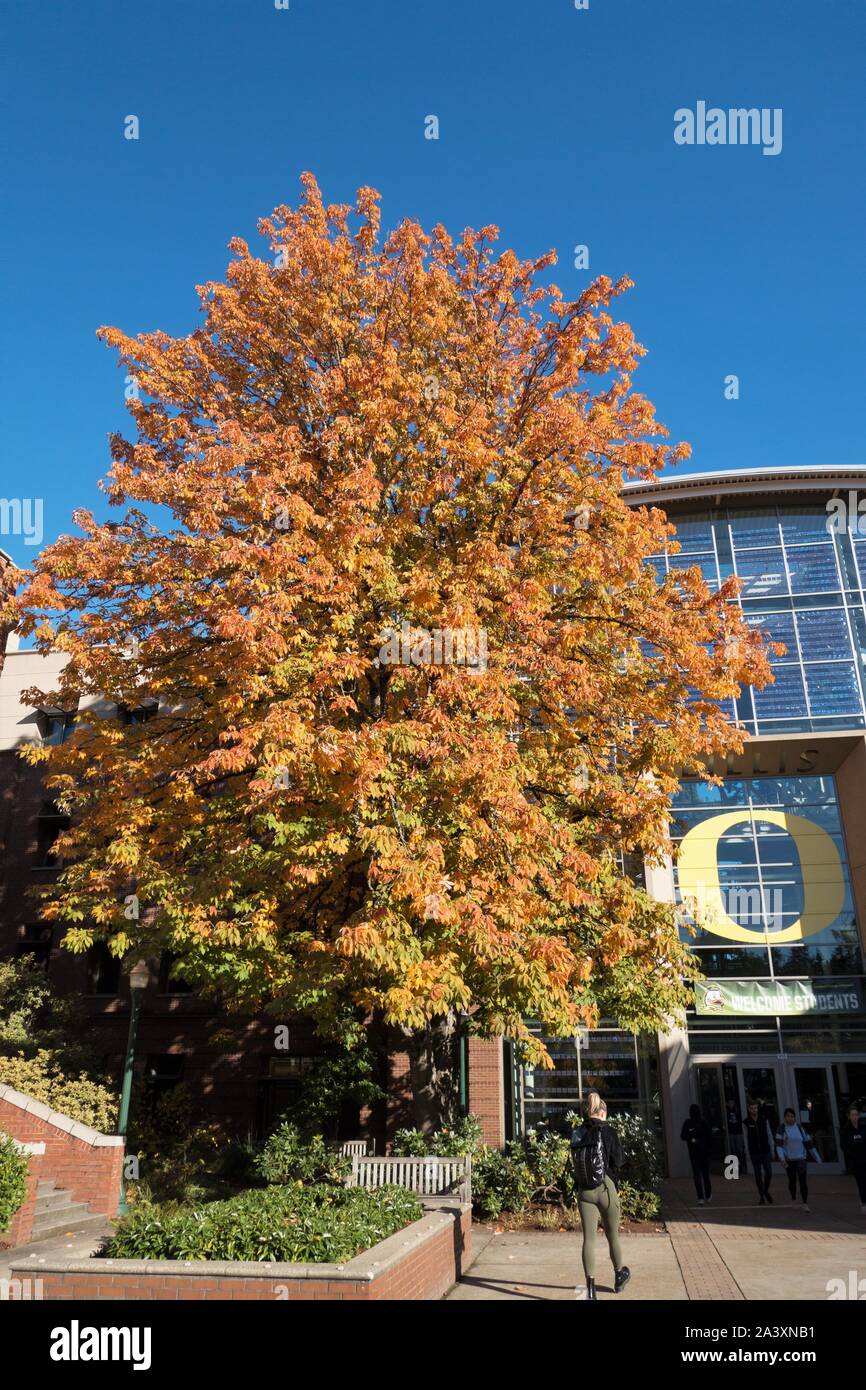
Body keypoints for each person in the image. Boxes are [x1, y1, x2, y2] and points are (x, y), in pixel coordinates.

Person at [571, 1091, 631, 1300]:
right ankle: (619, 1276)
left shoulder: (578, 1132)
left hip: (584, 1190)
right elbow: (619, 1161)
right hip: (606, 1188)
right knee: (612, 1236)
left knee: (589, 1239)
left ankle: (591, 1289)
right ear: (603, 1112)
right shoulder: (609, 1132)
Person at [775, 1107, 819, 1210]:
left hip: (800, 1159)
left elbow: (808, 1143)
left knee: (803, 1181)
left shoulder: (800, 1128)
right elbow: (779, 1145)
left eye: (792, 1116)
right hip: (789, 1160)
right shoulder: (781, 1129)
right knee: (792, 1180)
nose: (790, 1118)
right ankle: (794, 1199)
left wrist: (817, 1157)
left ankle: (805, 1203)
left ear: (795, 1117)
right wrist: (782, 1158)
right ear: (784, 1117)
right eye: (787, 1116)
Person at [743, 1100, 775, 1205]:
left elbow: (769, 1134)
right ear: (749, 1109)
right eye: (752, 1108)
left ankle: (765, 1190)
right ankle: (762, 1195)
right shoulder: (746, 1122)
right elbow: (745, 1139)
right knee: (757, 1175)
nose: (754, 1110)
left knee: (769, 1172)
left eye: (755, 1108)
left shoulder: (764, 1119)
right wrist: (747, 1153)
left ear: (758, 1108)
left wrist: (772, 1149)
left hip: (765, 1151)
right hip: (754, 1152)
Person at [680, 1103, 712, 1205]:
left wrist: (691, 1139)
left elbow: (683, 1136)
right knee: (703, 1174)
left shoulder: (691, 1123)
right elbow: (709, 1136)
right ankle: (706, 1194)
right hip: (701, 1152)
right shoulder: (701, 1122)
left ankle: (702, 1196)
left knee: (699, 1175)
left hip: (696, 1152)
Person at [839, 1103, 866, 1215]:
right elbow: (844, 1146)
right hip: (856, 1162)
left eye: (856, 1115)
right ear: (848, 1116)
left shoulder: (863, 1128)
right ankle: (864, 1203)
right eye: (852, 1115)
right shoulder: (846, 1131)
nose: (855, 1117)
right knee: (862, 1183)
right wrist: (852, 1158)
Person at [726, 1101, 746, 1173]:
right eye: (729, 1103)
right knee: (733, 1149)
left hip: (738, 1132)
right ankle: (735, 1166)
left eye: (732, 1103)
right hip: (731, 1132)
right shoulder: (726, 1112)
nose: (731, 1104)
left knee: (739, 1149)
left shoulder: (737, 1111)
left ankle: (741, 1165)